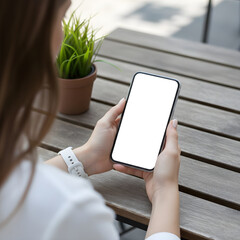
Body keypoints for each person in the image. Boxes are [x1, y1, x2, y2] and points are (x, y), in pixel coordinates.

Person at [0, 0, 181, 239]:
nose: (63, 35)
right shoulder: (70, 212)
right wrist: (164, 190)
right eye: (62, 16)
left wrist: (84, 158)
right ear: (31, 33)